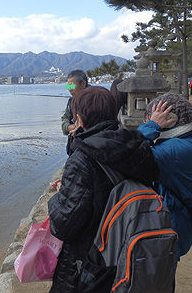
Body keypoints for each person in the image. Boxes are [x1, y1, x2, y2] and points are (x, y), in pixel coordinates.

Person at [48, 86, 159, 292]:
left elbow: (63, 224)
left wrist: (59, 195)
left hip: (91, 260)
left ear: (79, 119)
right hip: (129, 249)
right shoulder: (138, 148)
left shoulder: (82, 158)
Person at [138, 93, 192, 258]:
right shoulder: (185, 139)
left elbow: (130, 153)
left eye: (150, 117)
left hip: (169, 228)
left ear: (168, 120)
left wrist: (151, 127)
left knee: (160, 277)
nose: (146, 121)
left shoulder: (172, 150)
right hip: (177, 223)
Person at [61, 70, 89, 155]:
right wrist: (68, 127)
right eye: (68, 86)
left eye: (72, 86)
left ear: (83, 84)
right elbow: (65, 118)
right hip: (74, 146)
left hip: (90, 145)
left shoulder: (95, 99)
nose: (70, 89)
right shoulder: (71, 101)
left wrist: (80, 128)